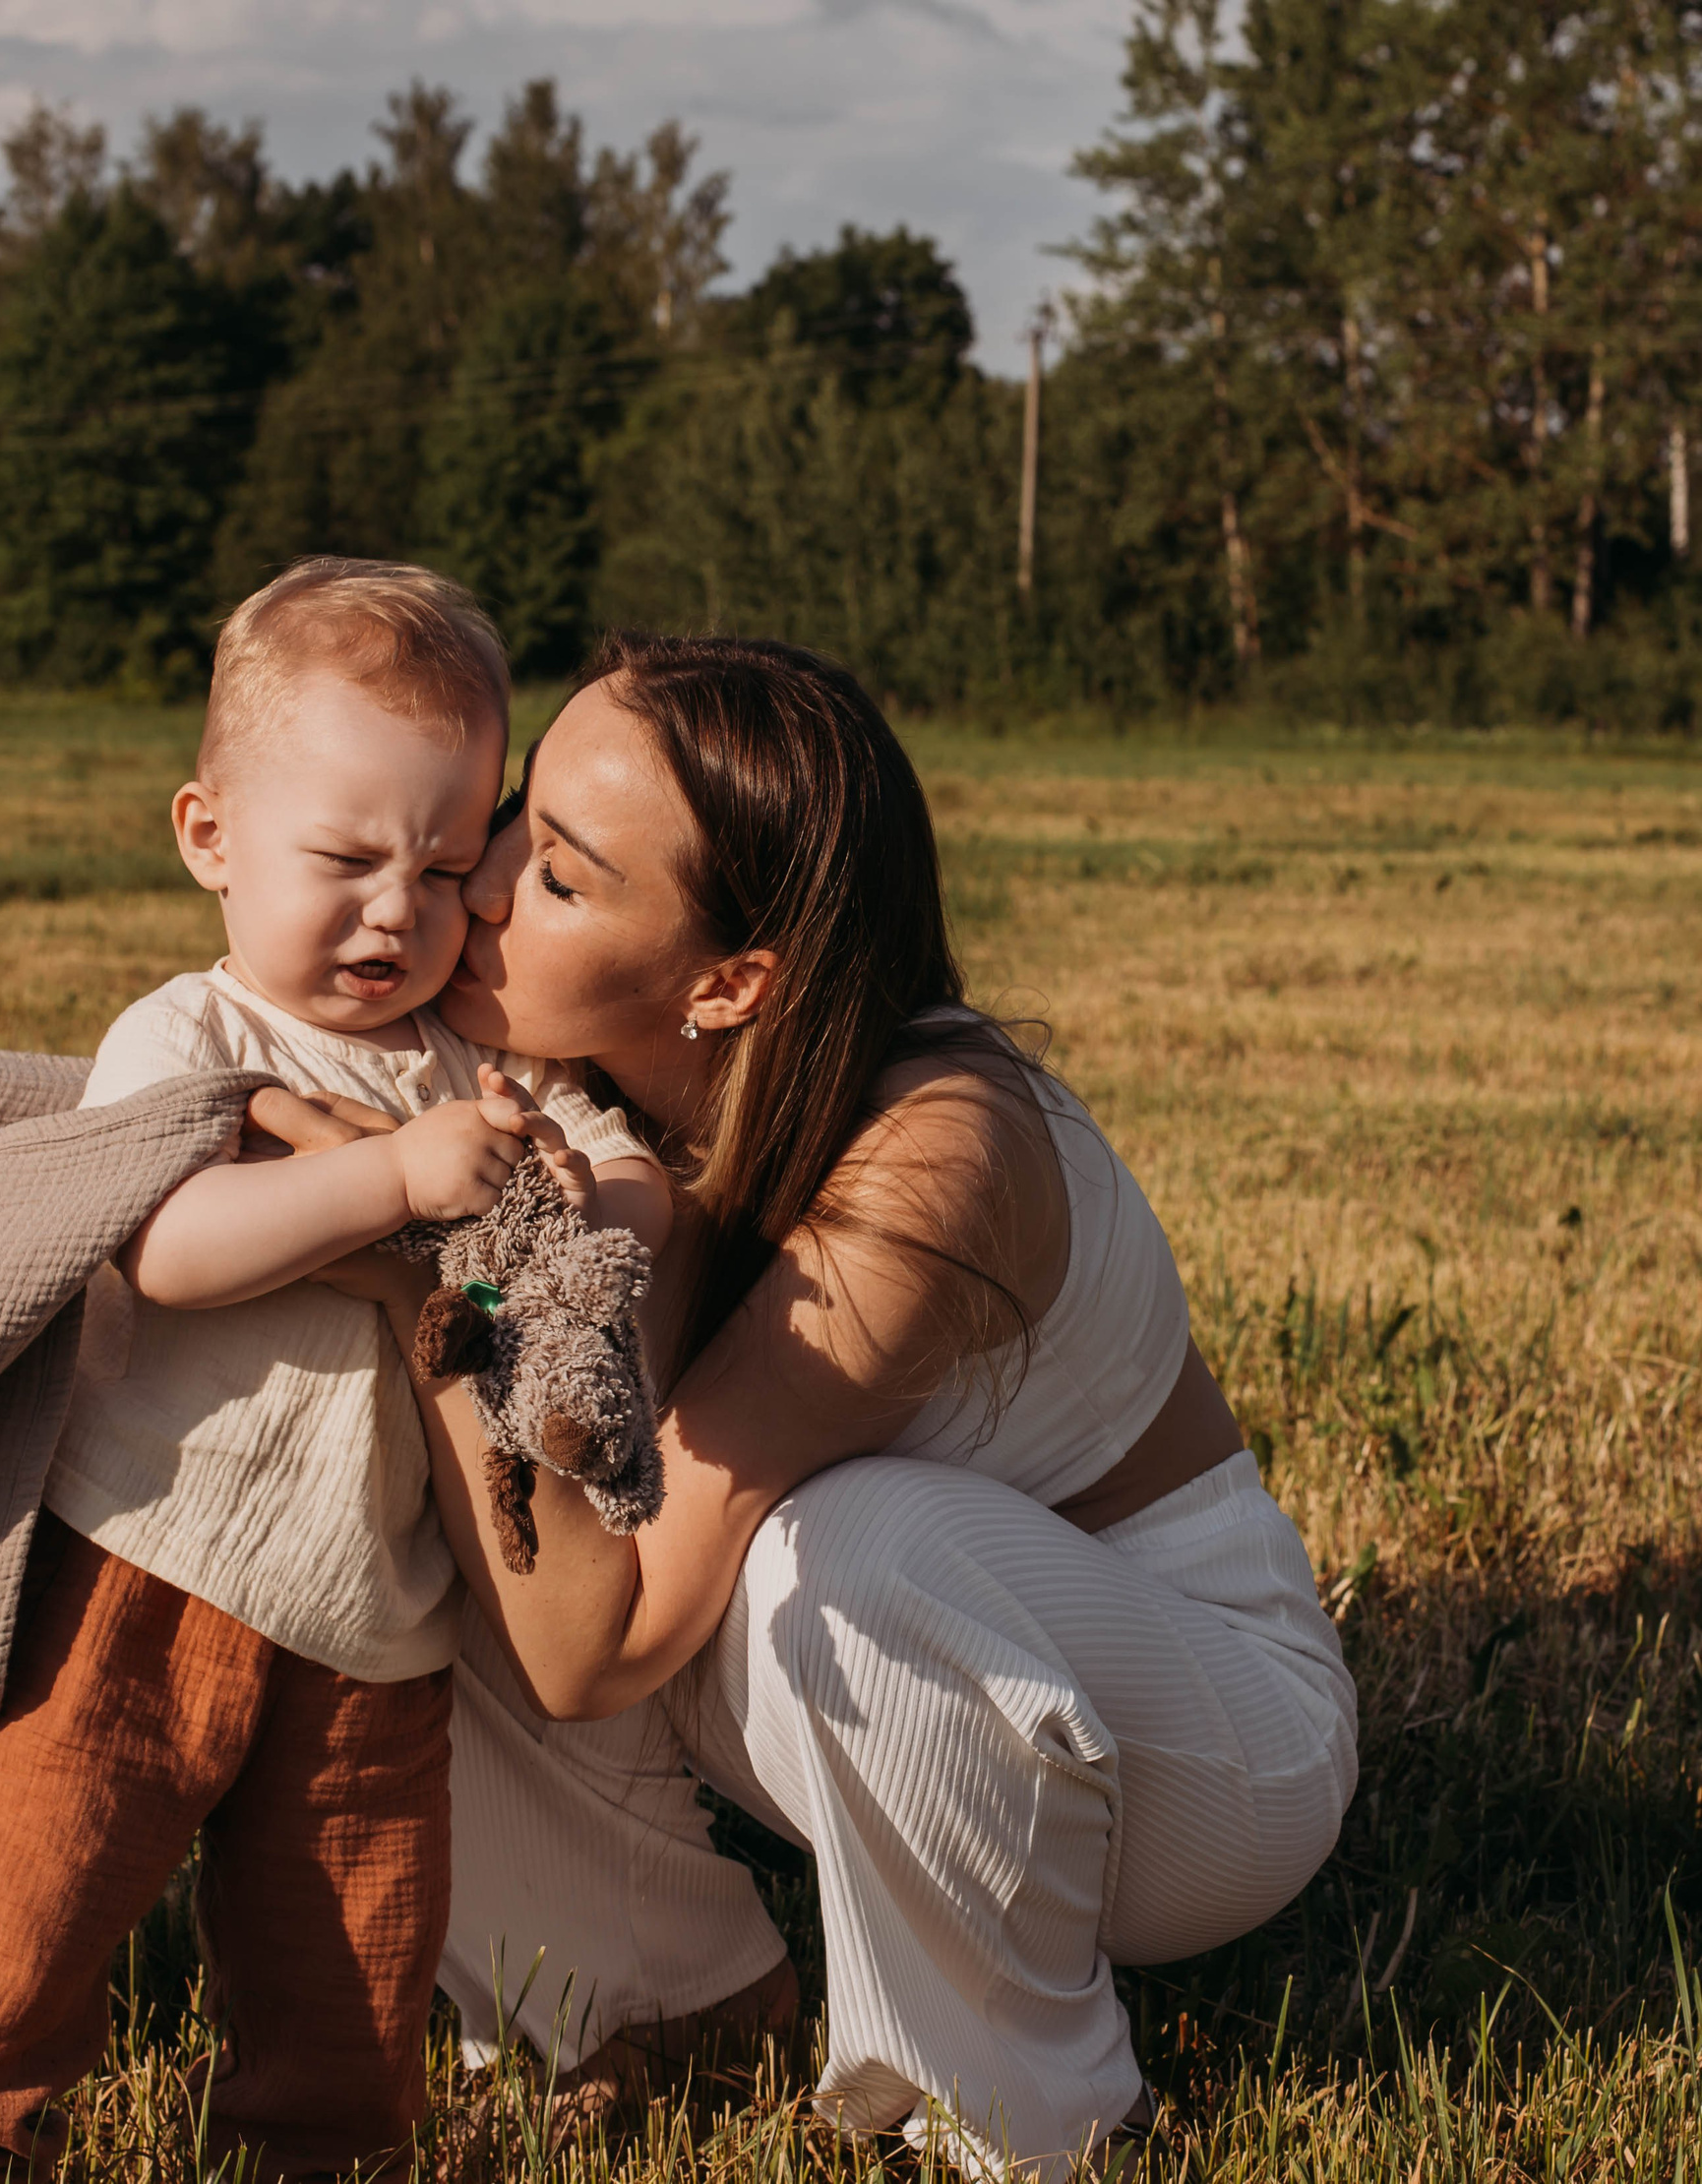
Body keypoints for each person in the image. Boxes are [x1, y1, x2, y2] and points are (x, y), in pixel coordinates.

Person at [293, 631, 1358, 2179]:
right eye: (523, 813)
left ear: (729, 982)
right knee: (421, 1469)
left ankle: (998, 2120)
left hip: (1199, 1747)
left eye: (568, 879)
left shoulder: (940, 1155)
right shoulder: (550, 1079)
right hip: (866, 1677)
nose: (491, 875)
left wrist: (423, 1287)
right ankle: (647, 1996)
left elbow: (604, 1640)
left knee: (845, 1547)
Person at [0, 562, 668, 2183]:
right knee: (21, 1930)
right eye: (345, 859)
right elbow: (166, 1245)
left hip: (379, 1630)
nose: (396, 911)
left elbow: (608, 1191)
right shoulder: (189, 1038)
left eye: (443, 864)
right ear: (209, 838)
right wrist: (398, 1187)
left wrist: (574, 1195)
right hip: (145, 1575)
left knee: (353, 1988)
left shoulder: (477, 1068)